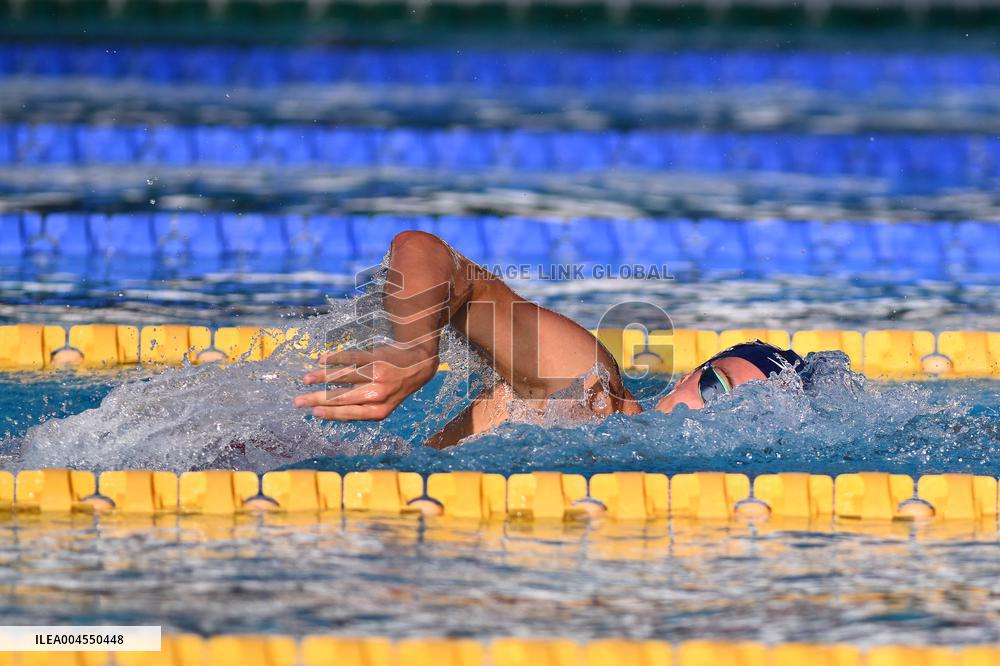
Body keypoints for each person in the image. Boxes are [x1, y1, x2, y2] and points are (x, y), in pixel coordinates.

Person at [293, 231, 805, 448]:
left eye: (752, 417)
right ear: (688, 378)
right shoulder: (590, 389)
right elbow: (423, 252)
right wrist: (413, 348)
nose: (713, 415)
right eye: (717, 389)